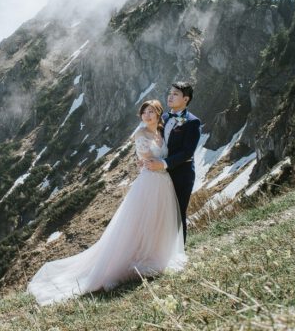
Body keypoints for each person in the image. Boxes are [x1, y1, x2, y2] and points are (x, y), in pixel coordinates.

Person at [27, 100, 187, 306]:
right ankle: (136, 260)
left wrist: (163, 164)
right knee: (140, 223)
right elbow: (146, 160)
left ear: (158, 115)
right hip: (149, 183)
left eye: (151, 112)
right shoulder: (141, 134)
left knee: (157, 222)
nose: (147, 115)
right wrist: (157, 164)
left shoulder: (160, 132)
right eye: (144, 112)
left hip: (163, 183)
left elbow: (162, 156)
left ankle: (152, 256)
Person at [141, 82, 201, 243]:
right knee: (160, 212)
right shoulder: (164, 117)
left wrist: (164, 163)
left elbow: (187, 152)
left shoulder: (193, 122)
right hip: (160, 175)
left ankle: (180, 251)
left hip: (182, 173)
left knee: (177, 213)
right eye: (170, 93)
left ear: (186, 99)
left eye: (175, 94)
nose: (170, 96)